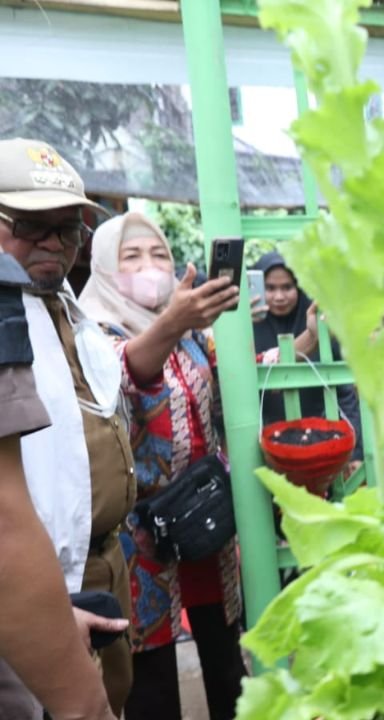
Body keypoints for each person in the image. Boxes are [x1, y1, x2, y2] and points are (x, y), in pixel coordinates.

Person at [78, 212, 246, 719]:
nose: (149, 266)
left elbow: (223, 392)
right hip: (142, 537)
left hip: (205, 522)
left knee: (225, 658)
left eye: (159, 255)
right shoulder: (92, 333)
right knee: (151, 681)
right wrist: (174, 322)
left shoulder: (195, 333)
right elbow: (126, 372)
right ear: (105, 266)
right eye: (132, 256)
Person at [0, 137, 136, 714]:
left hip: (94, 565)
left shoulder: (61, 303)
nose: (55, 243)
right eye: (32, 226)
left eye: (69, 229)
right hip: (33, 585)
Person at [251, 252, 362, 463]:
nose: (279, 297)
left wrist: (353, 452)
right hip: (267, 449)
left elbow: (343, 392)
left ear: (299, 287)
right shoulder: (247, 328)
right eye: (270, 288)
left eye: (287, 287)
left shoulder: (319, 323)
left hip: (322, 443)